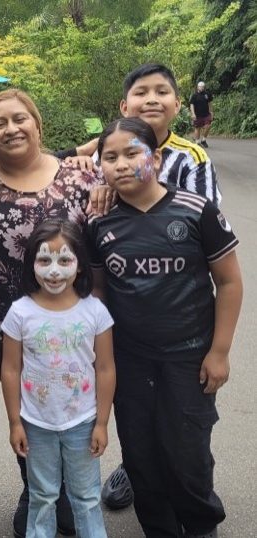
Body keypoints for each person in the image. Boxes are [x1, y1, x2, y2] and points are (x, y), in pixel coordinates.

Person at [87, 117, 243, 538]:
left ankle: (200, 524)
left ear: (155, 157)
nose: (120, 164)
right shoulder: (99, 224)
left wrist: (220, 351)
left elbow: (228, 282)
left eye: (132, 153)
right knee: (140, 453)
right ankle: (158, 527)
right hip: (129, 361)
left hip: (189, 357)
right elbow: (99, 292)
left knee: (187, 450)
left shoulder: (196, 210)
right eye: (110, 157)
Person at [0, 89, 104, 538]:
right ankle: (37, 488)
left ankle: (71, 488)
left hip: (68, 322)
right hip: (2, 322)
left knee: (70, 403)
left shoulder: (80, 180)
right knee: (25, 407)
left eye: (20, 119)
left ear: (38, 126)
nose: (11, 129)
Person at [0, 218, 116, 538]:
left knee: (87, 497)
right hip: (36, 424)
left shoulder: (94, 312)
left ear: (79, 265)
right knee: (42, 496)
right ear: (31, 264)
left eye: (64, 260)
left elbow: (105, 368)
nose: (54, 270)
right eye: (44, 260)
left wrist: (102, 423)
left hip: (83, 422)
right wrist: (15, 422)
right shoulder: (20, 313)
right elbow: (10, 369)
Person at [74, 63, 221, 216]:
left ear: (176, 105)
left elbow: (206, 220)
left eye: (162, 92)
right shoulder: (104, 153)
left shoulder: (191, 158)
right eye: (141, 93)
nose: (152, 100)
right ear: (124, 108)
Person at [189, 81, 214, 148]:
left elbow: (210, 104)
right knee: (197, 128)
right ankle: (197, 142)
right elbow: (192, 105)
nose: (201, 88)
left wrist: (211, 112)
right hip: (197, 115)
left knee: (208, 126)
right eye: (200, 86)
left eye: (203, 86)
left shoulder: (207, 94)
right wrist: (193, 114)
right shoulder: (194, 95)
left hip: (206, 114)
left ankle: (203, 140)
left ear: (204, 87)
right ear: (197, 87)